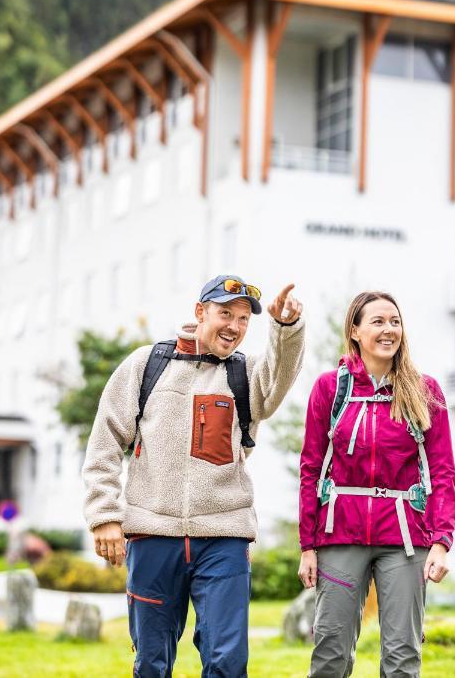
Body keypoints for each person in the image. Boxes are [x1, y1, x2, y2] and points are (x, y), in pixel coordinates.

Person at [83, 274, 304, 677]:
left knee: (227, 660)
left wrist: (285, 330)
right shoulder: (146, 365)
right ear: (199, 312)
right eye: (225, 314)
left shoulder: (244, 375)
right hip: (152, 536)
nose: (234, 327)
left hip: (224, 537)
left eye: (243, 320)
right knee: (151, 662)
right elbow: (104, 441)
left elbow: (278, 377)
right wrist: (105, 515)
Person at [298, 290, 455, 678]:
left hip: (406, 540)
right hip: (340, 535)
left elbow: (442, 470)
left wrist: (440, 541)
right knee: (330, 654)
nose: (389, 330)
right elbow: (311, 468)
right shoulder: (329, 389)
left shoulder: (425, 390)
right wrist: (308, 544)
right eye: (378, 322)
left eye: (395, 322)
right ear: (354, 331)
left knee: (403, 658)